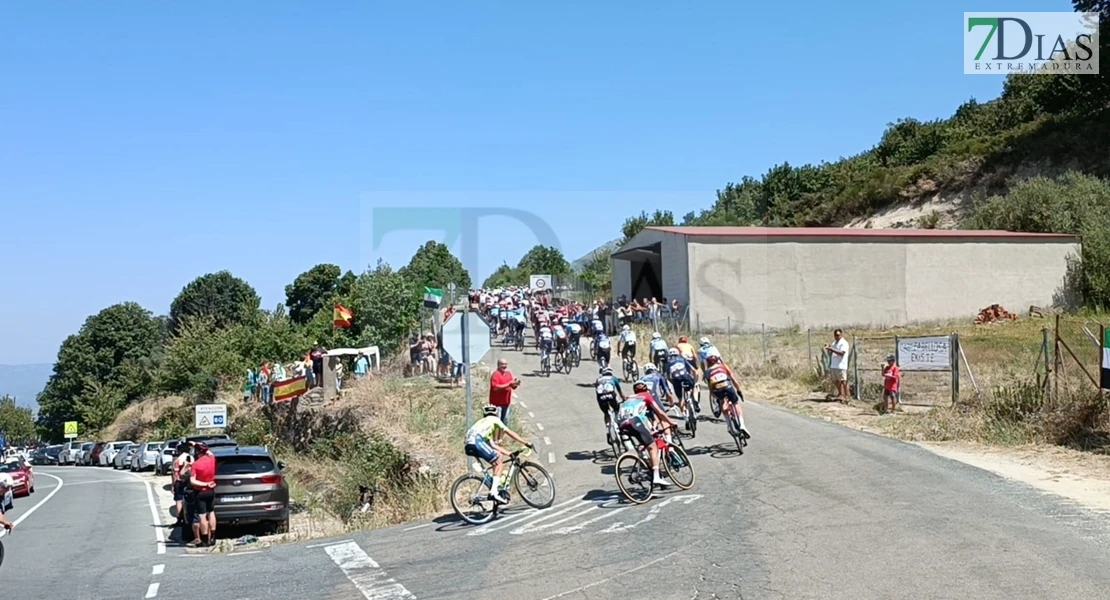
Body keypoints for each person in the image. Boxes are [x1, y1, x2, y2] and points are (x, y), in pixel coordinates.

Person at [464, 405, 535, 504]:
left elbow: (492, 445)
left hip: (470, 444)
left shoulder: (482, 424)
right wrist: (525, 442)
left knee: (498, 456)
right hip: (476, 441)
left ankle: (495, 486)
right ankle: (493, 492)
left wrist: (509, 453)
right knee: (498, 463)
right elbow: (509, 432)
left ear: (484, 414)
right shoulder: (494, 420)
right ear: (496, 414)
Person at [616, 381, 678, 487]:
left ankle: (645, 467)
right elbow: (660, 413)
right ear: (646, 390)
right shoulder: (646, 395)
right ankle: (657, 477)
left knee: (643, 445)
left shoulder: (629, 398)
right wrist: (671, 422)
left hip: (621, 425)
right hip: (634, 421)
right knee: (652, 446)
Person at [703, 355, 750, 439]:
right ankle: (742, 425)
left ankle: (729, 425)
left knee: (722, 403)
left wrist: (717, 398)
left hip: (717, 389)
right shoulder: (723, 366)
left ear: (708, 363)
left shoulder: (707, 372)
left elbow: (710, 389)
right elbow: (733, 380)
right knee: (735, 404)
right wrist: (739, 391)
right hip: (727, 386)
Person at [188, 442, 218, 548]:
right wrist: (197, 444)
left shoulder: (196, 464)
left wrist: (205, 484)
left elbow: (192, 481)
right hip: (211, 491)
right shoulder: (211, 459)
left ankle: (204, 540)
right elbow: (209, 452)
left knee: (202, 516)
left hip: (200, 491)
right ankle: (213, 537)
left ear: (197, 452)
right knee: (211, 512)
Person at [595, 366, 627, 441]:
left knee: (606, 413)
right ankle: (619, 425)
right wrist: (623, 398)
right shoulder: (613, 378)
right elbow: (620, 391)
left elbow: (597, 392)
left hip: (601, 398)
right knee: (617, 409)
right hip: (611, 396)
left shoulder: (598, 380)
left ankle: (607, 429)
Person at [665, 347, 698, 417]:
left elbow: (667, 376)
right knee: (694, 386)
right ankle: (695, 399)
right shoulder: (682, 359)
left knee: (680, 399)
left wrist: (673, 382)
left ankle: (685, 416)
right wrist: (695, 380)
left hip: (676, 380)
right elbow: (694, 371)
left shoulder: (668, 363)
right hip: (686, 377)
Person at [488, 358, 519, 425]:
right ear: (498, 365)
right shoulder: (495, 375)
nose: (504, 366)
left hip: (506, 403)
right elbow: (495, 387)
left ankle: (503, 435)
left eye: (505, 364)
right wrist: (509, 384)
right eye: (502, 364)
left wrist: (515, 384)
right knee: (497, 423)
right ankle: (497, 435)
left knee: (505, 422)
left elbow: (512, 387)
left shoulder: (508, 374)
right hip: (497, 404)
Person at [825, 329, 851, 403]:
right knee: (836, 381)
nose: (837, 336)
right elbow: (832, 353)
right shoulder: (834, 343)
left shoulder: (844, 343)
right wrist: (829, 350)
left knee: (843, 381)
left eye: (838, 335)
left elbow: (842, 353)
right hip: (834, 365)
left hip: (841, 365)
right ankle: (840, 394)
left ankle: (845, 396)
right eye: (836, 335)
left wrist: (832, 349)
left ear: (841, 335)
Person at [171, 444, 193, 527]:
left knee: (178, 500)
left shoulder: (178, 460)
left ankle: (180, 519)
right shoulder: (191, 458)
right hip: (190, 481)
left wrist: (173, 485)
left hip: (179, 482)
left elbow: (175, 474)